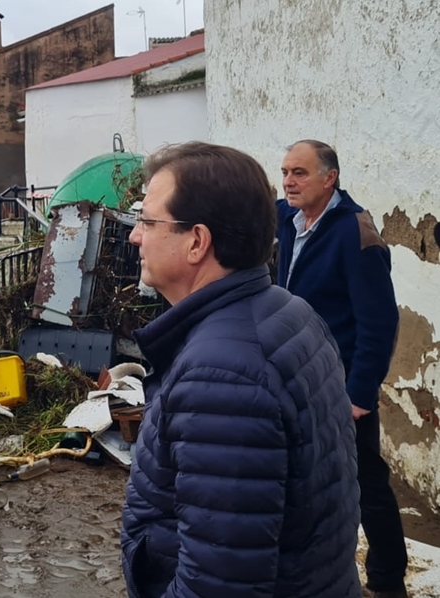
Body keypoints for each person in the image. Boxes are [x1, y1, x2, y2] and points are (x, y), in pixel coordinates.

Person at [121, 142, 361, 597]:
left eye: (149, 221)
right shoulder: (288, 312)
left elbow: (219, 584)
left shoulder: (222, 375)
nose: (136, 235)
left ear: (197, 241)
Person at [277, 139, 407, 597]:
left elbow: (379, 321)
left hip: (339, 383)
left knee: (366, 484)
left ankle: (389, 582)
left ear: (329, 177)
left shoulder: (356, 231)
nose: (289, 181)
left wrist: (359, 394)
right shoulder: (285, 218)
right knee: (303, 478)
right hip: (295, 377)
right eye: (286, 172)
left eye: (300, 173)